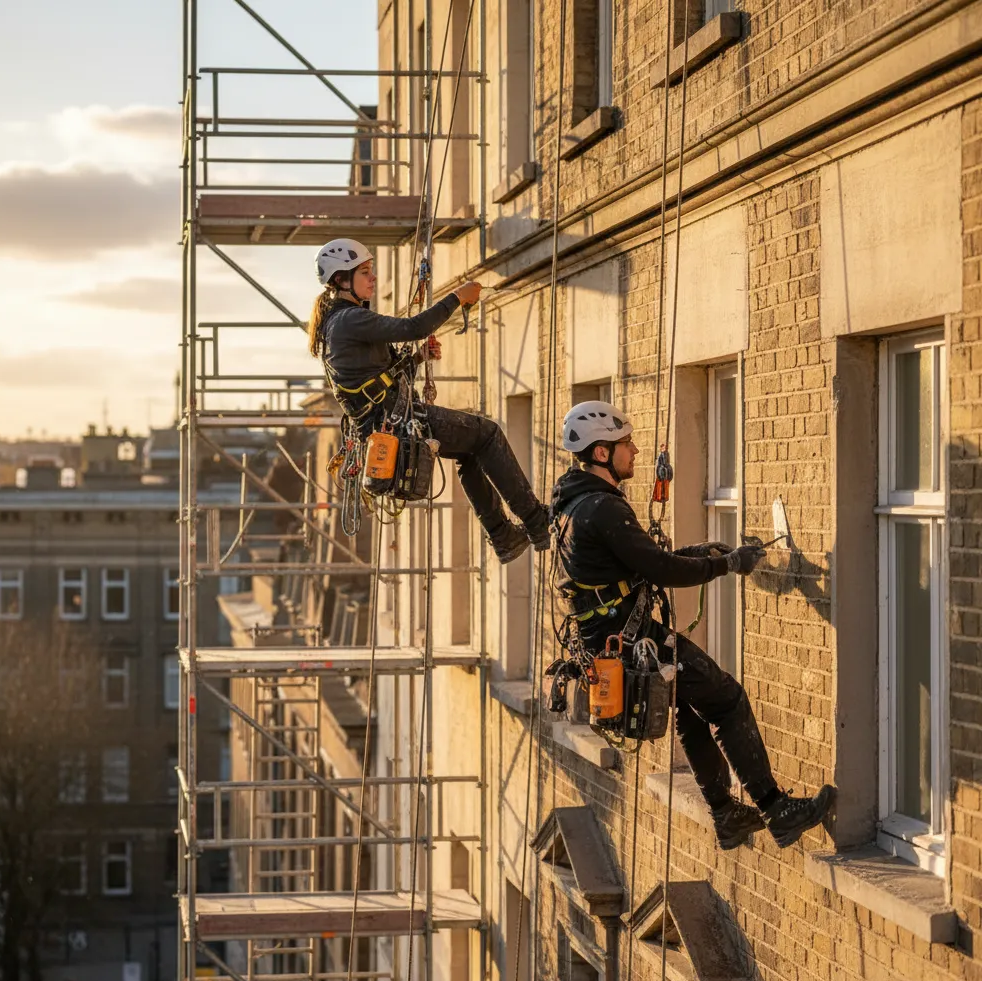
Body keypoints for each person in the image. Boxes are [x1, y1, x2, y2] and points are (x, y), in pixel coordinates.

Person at [551, 400, 836, 850]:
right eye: (626, 443)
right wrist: (727, 564)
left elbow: (641, 564)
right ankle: (775, 809)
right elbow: (661, 572)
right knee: (726, 699)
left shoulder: (577, 505)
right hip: (632, 642)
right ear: (602, 453)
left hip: (614, 643)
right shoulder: (602, 509)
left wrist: (701, 552)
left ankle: (726, 815)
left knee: (688, 708)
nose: (637, 451)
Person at [309, 238, 549, 562]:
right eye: (365, 272)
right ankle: (536, 521)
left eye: (371, 270)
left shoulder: (340, 323)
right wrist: (457, 298)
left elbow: (376, 381)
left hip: (389, 422)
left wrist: (418, 358)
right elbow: (414, 326)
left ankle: (504, 535)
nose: (373, 278)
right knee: (487, 433)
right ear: (341, 280)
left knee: (473, 451)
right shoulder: (350, 320)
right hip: (396, 423)